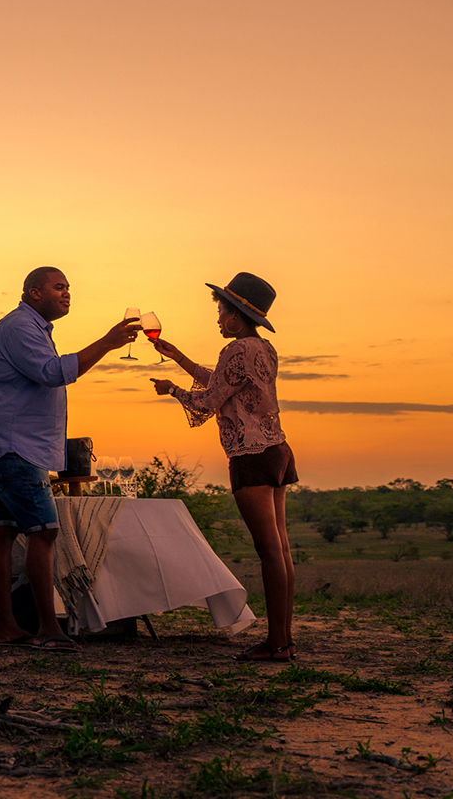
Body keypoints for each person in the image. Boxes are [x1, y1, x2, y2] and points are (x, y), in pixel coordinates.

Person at [0, 267, 140, 648]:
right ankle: (49, 629)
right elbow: (52, 373)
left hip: (3, 442)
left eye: (68, 287)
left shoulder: (31, 329)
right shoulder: (19, 327)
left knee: (2, 528)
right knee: (44, 529)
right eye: (58, 287)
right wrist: (108, 342)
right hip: (12, 444)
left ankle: (3, 627)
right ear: (34, 292)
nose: (66, 293)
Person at [149, 272, 296, 661]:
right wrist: (179, 357)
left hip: (251, 455)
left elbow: (208, 401)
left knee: (268, 551)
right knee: (281, 549)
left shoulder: (234, 350)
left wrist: (172, 390)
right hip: (278, 450)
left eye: (220, 310)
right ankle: (284, 638)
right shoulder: (263, 348)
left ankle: (277, 644)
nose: (217, 318)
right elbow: (224, 383)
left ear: (236, 316)